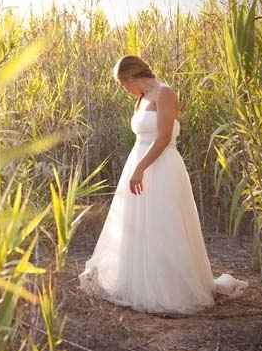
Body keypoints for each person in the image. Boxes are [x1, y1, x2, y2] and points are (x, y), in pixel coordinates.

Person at [78, 55, 248, 314]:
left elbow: (164, 137)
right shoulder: (141, 98)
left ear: (133, 76)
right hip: (139, 164)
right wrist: (135, 169)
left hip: (161, 167)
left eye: (123, 83)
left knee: (163, 224)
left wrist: (140, 168)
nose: (124, 89)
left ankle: (169, 289)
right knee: (136, 225)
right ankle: (138, 282)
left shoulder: (165, 93)